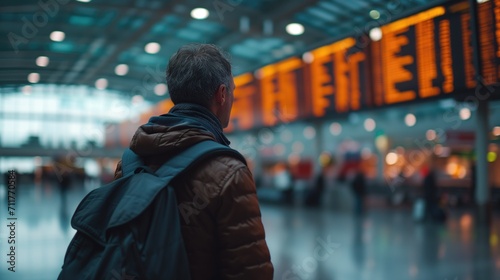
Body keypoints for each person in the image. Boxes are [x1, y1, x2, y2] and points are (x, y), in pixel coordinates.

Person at [113, 44, 273, 280]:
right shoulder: (229, 172)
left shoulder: (129, 162)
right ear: (221, 94)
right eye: (232, 91)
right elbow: (250, 272)